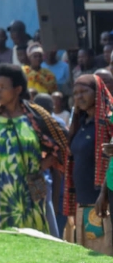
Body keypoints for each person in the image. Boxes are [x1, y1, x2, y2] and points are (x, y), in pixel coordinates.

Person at [0, 64, 69, 232]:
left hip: (27, 194)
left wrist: (41, 166)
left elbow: (61, 144)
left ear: (17, 89)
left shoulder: (35, 115)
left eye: (3, 87)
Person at [65, 74, 113, 254]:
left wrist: (104, 193)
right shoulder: (80, 124)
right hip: (83, 203)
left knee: (105, 254)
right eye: (75, 93)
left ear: (98, 93)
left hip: (103, 204)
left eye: (84, 91)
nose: (79, 97)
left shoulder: (108, 122)